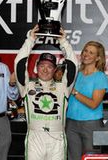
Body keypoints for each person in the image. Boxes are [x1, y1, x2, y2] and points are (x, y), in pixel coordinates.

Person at [14, 25, 78, 160]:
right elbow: (19, 64)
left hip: (57, 139)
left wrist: (64, 42)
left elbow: (73, 66)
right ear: (36, 68)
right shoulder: (27, 85)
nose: (45, 69)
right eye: (42, 65)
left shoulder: (63, 88)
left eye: (49, 66)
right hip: (35, 138)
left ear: (55, 70)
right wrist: (30, 40)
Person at [66, 41, 108, 160]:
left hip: (91, 124)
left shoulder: (100, 77)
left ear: (98, 58)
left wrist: (74, 92)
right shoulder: (75, 74)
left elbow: (93, 104)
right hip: (70, 123)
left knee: (92, 158)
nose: (86, 54)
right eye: (85, 50)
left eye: (91, 52)